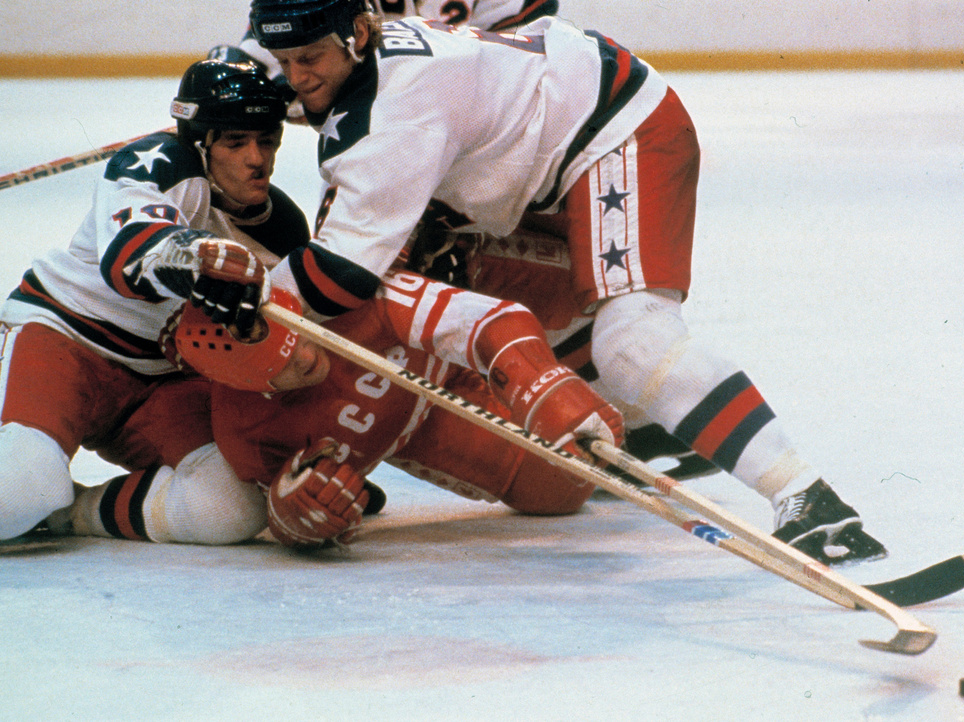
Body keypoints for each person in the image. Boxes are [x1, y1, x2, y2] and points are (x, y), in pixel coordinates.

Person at [236, 0, 887, 565]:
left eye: (310, 57)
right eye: (283, 59)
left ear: (357, 32)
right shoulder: (365, 52)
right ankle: (638, 418)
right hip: (546, 154)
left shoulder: (392, 111)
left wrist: (250, 298)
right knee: (462, 274)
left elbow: (337, 281)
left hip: (612, 131)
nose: (297, 77)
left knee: (634, 342)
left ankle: (806, 497)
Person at [0, 58, 308, 544]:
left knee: (234, 507)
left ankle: (70, 514)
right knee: (19, 490)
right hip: (63, 340)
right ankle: (32, 486)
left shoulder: (282, 230)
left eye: (266, 140)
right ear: (201, 143)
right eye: (235, 141)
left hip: (157, 383)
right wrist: (198, 259)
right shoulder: (158, 162)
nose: (256, 159)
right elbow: (130, 259)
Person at [163, 270, 622, 549]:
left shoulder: (335, 293)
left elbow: (486, 319)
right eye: (281, 365)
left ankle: (594, 371)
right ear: (245, 385)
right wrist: (294, 518)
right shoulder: (244, 432)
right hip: (419, 427)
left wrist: (540, 384)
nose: (305, 355)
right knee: (557, 489)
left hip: (455, 333)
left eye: (300, 333)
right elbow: (278, 515)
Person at [208, 0, 559, 123]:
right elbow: (254, 58)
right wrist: (222, 84)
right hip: (365, 143)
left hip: (474, 149)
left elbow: (523, 75)